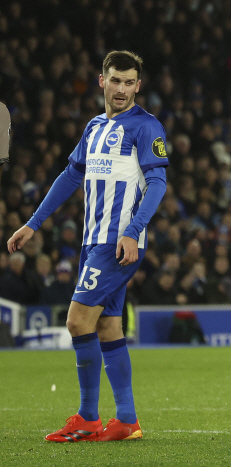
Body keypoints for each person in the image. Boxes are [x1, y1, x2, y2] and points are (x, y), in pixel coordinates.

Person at [7, 51, 168, 442]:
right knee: (109, 326)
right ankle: (126, 420)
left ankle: (88, 418)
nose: (122, 89)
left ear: (138, 86)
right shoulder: (94, 127)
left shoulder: (146, 126)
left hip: (117, 243)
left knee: (77, 321)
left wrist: (132, 231)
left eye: (130, 83)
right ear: (102, 81)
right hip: (92, 239)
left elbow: (158, 183)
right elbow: (69, 176)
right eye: (116, 80)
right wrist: (33, 223)